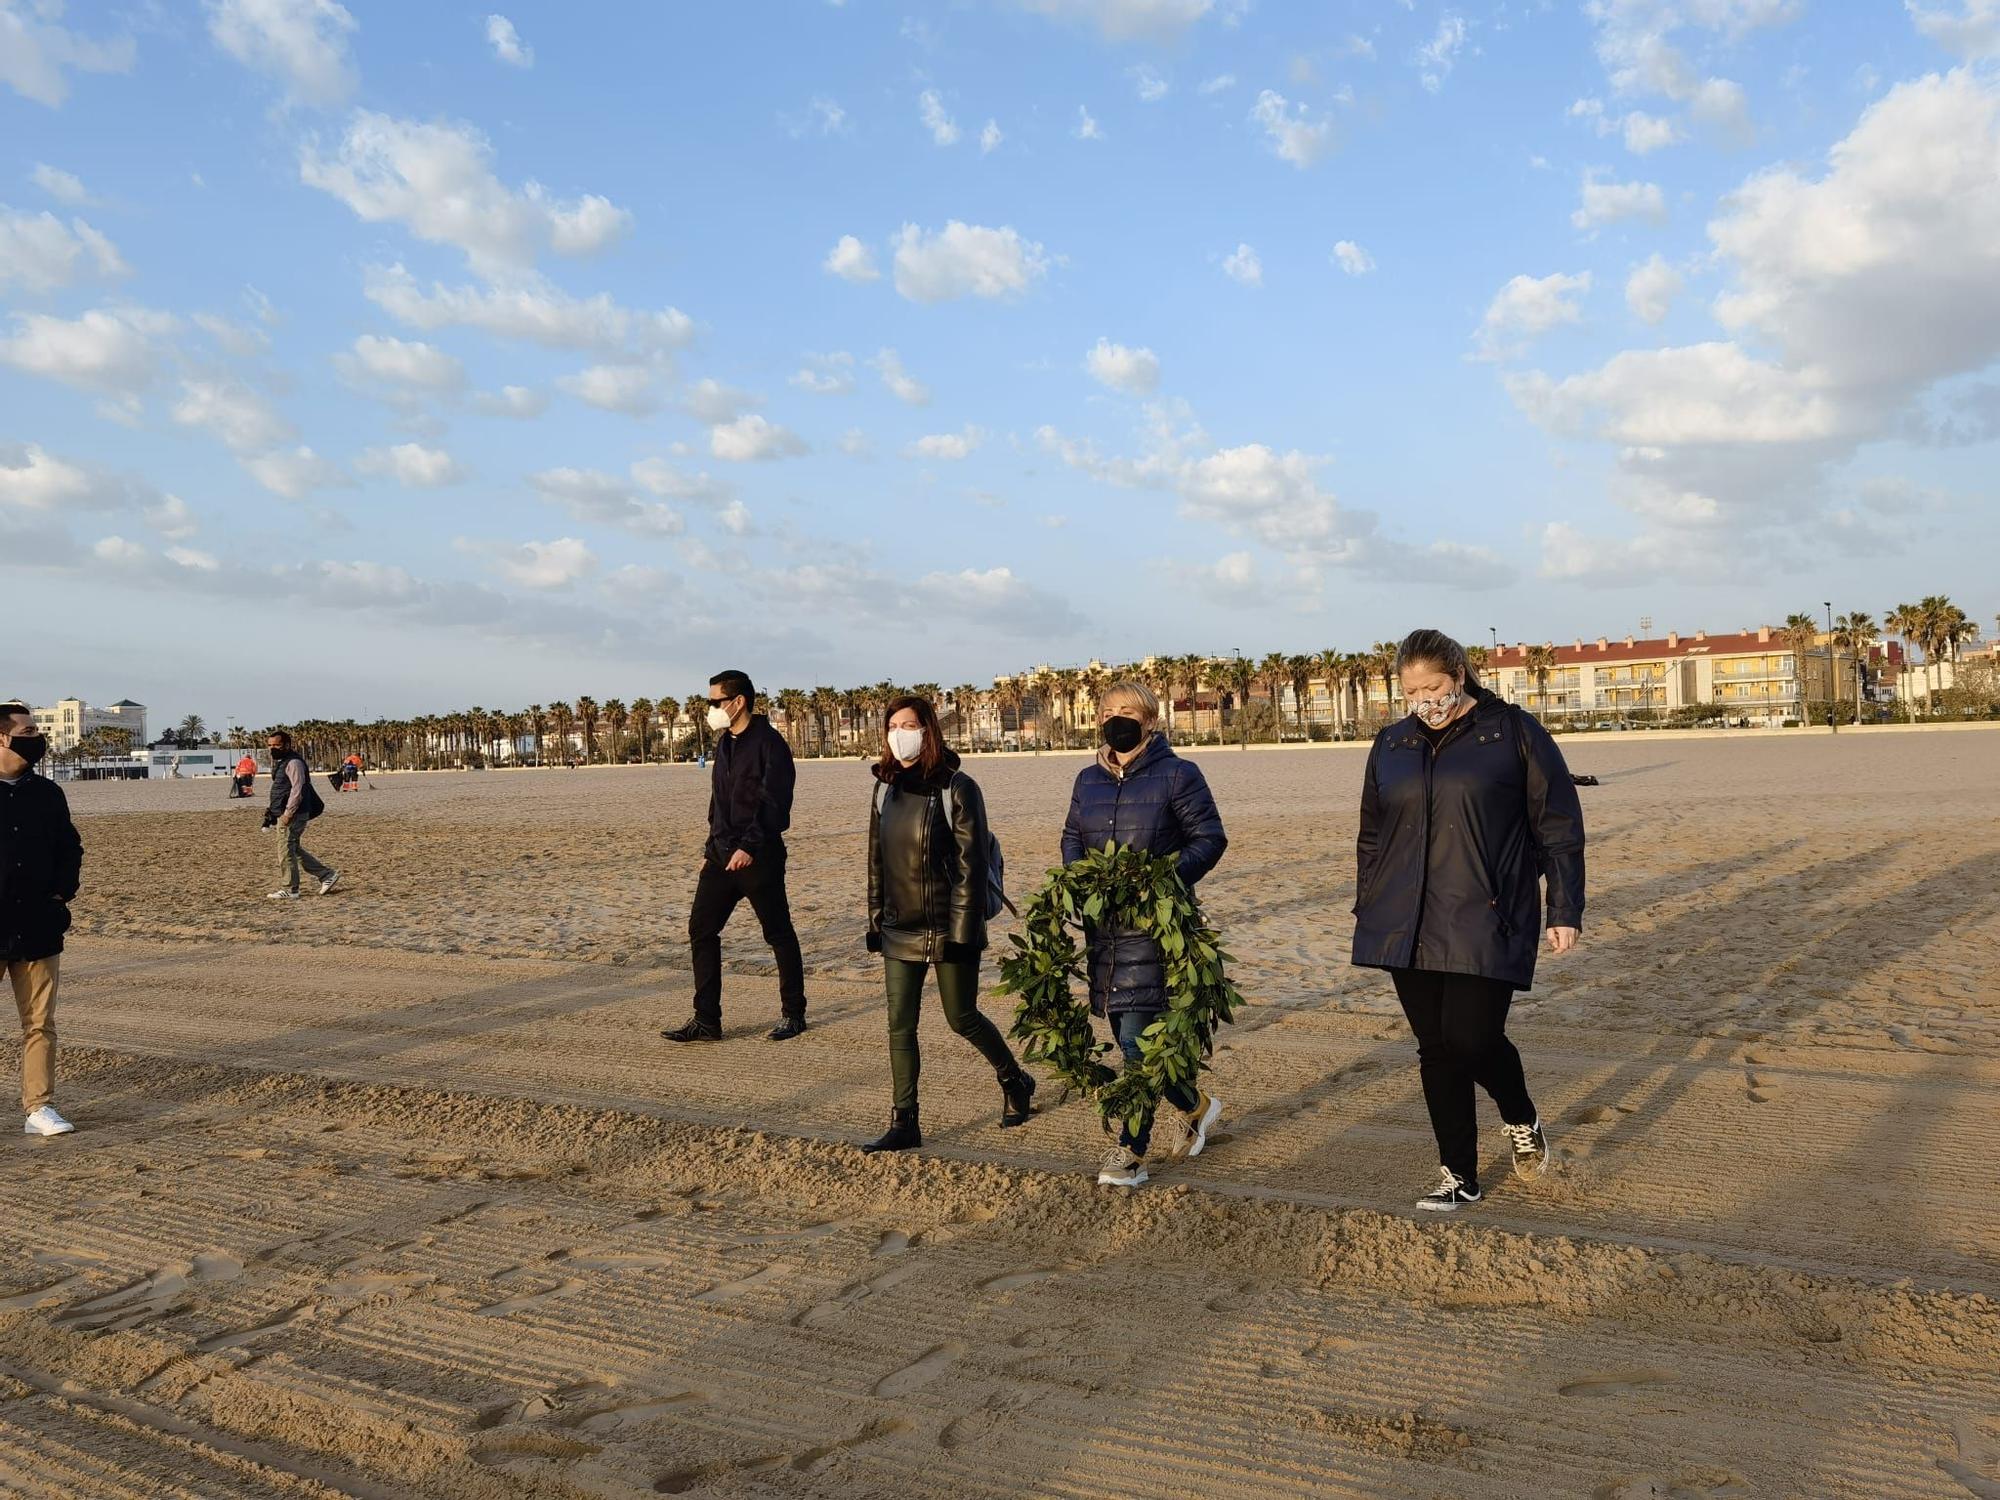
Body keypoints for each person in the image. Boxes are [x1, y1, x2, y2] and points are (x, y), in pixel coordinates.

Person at [1351, 628, 1585, 1212]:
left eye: (1433, 686)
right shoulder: (1392, 743)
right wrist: (1369, 900)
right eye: (1411, 690)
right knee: (1435, 1047)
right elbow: (1372, 834)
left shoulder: (1513, 733)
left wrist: (1564, 909)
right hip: (1404, 916)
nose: (1424, 698)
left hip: (1488, 911)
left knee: (1471, 1037)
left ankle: (1520, 1115)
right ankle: (1459, 1174)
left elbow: (1557, 825)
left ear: (1459, 677)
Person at [1061, 679, 1228, 1189]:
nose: (1116, 718)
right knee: (1127, 1036)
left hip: (1159, 931)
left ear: (1150, 721)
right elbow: (1072, 837)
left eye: (1128, 711)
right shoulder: (1087, 779)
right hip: (1105, 933)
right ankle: (1196, 1105)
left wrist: (1161, 880)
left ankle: (1130, 1153)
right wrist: (1079, 879)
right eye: (1108, 710)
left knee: (1136, 1044)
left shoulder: (1179, 774)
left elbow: (1210, 838)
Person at [859, 695, 1036, 1153]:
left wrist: (962, 933)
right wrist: (877, 921)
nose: (901, 733)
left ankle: (1015, 1080)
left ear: (929, 730)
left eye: (910, 724)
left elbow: (970, 867)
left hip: (947, 928)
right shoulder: (884, 789)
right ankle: (904, 1122)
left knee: (962, 1018)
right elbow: (877, 863)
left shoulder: (958, 787)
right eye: (893, 725)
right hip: (900, 928)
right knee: (900, 1026)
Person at [664, 671, 809, 1042]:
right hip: (720, 857)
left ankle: (794, 1014)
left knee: (778, 933)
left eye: (715, 702)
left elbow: (775, 804)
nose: (711, 708)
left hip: (759, 858)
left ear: (738, 701)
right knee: (701, 929)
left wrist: (749, 846)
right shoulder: (724, 743)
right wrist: (711, 850)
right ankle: (706, 1019)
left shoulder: (770, 744)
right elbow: (719, 803)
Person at [0, 701, 83, 1137]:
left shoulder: (48, 793)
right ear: (3, 736)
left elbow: (70, 848)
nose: (37, 737)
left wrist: (59, 894)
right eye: (29, 730)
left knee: (39, 1023)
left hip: (37, 925)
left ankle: (39, 1108)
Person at [262, 731, 338, 899]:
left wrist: (288, 813)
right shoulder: (282, 763)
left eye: (276, 745)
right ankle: (326, 875)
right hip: (285, 813)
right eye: (270, 745)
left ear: (287, 745)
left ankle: (290, 889)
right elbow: (282, 789)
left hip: (293, 814)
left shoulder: (294, 762)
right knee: (293, 848)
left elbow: (298, 789)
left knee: (285, 850)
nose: (272, 748)